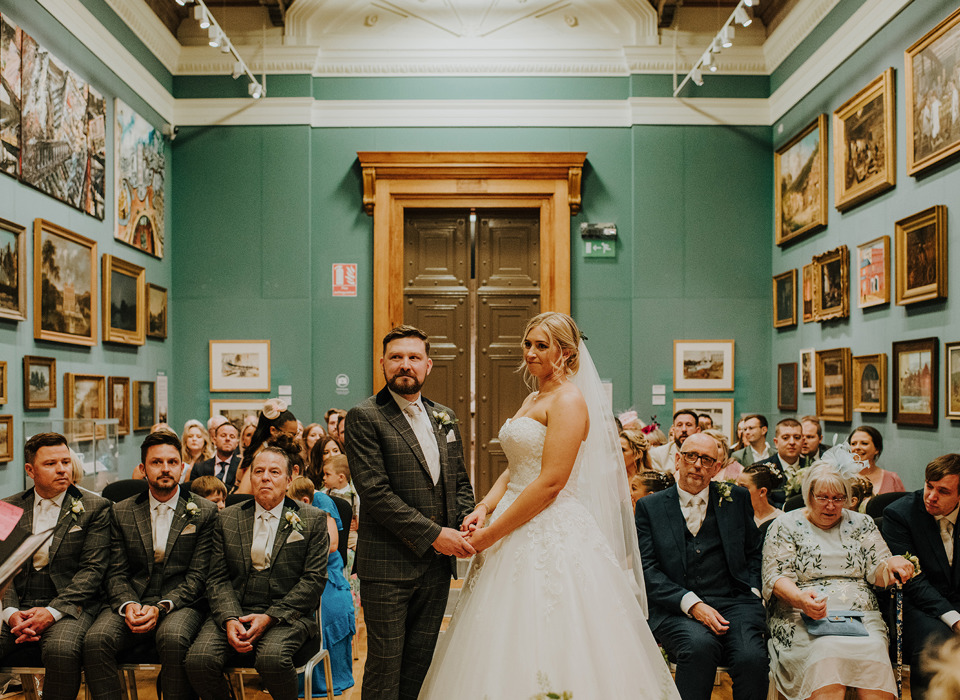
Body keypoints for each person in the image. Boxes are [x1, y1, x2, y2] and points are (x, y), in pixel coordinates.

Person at [419, 312, 680, 699]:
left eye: (542, 346)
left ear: (567, 353)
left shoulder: (569, 400)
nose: (530, 353)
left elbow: (551, 482)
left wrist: (492, 533)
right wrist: (485, 507)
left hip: (548, 523)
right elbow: (517, 468)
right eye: (528, 344)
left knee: (555, 629)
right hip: (511, 513)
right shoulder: (533, 397)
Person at [345, 324, 476, 700]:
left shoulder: (444, 417)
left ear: (428, 365)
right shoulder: (365, 416)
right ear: (383, 363)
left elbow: (458, 482)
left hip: (435, 568)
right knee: (385, 667)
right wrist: (437, 534)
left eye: (414, 358)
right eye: (397, 357)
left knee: (418, 665)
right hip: (387, 567)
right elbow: (375, 493)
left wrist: (467, 518)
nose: (405, 365)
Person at [763, 461, 915, 700]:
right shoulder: (785, 525)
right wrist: (800, 599)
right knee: (827, 650)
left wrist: (892, 565)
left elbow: (879, 569)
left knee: (873, 648)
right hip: (803, 614)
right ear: (808, 495)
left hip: (861, 618)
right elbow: (776, 577)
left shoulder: (862, 523)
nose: (831, 505)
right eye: (823, 497)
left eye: (838, 498)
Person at [83, 431, 218, 700]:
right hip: (132, 598)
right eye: (157, 462)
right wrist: (128, 605)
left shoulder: (204, 511)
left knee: (172, 638)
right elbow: (115, 572)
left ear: (183, 467)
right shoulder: (121, 511)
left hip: (181, 602)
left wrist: (161, 607)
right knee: (95, 640)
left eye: (172, 462)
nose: (165, 469)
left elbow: (199, 576)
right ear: (143, 469)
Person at [185, 447, 328, 700]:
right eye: (258, 471)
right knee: (198, 660)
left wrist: (271, 617)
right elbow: (217, 577)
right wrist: (229, 618)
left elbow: (313, 580)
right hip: (235, 609)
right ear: (249, 478)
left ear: (289, 479)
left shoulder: (313, 519)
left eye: (274, 472)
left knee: (272, 659)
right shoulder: (227, 518)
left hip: (287, 615)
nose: (265, 478)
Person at [636, 431, 768, 700]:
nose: (697, 464)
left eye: (707, 460)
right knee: (698, 648)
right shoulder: (650, 506)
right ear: (677, 460)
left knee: (751, 658)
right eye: (691, 456)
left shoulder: (737, 497)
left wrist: (753, 590)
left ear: (717, 468)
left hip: (734, 601)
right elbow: (647, 569)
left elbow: (754, 550)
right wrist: (691, 603)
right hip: (675, 607)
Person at [0, 433, 112, 700]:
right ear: (30, 470)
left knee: (61, 649)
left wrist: (52, 612)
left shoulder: (95, 507)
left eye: (66, 461)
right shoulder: (9, 507)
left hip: (72, 604)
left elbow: (93, 570)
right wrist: (12, 612)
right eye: (51, 464)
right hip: (19, 603)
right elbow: (3, 569)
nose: (63, 469)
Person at [882, 453, 960, 699]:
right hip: (917, 604)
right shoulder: (900, 514)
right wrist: (955, 619)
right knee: (940, 646)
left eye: (943, 491)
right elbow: (913, 580)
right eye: (929, 486)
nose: (931, 496)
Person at [288, 476, 356, 697]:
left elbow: (333, 544)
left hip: (326, 570)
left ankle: (325, 679)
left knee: (323, 608)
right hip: (295, 569)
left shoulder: (320, 500)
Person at [232, 398, 299, 494]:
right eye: (291, 434)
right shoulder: (260, 455)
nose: (294, 439)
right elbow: (243, 492)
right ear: (273, 430)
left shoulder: (257, 450)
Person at [850, 426, 904, 494]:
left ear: (877, 449)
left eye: (864, 443)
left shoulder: (892, 479)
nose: (857, 447)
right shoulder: (842, 478)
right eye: (853, 444)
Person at [192, 421, 241, 489]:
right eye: (223, 435)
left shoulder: (242, 467)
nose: (227, 439)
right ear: (214, 440)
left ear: (237, 443)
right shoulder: (199, 468)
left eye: (232, 437)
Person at [649, 409, 700, 474]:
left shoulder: (707, 452)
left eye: (689, 425)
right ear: (673, 429)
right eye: (679, 425)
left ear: (697, 430)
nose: (684, 429)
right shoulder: (658, 455)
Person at [736, 463, 784, 527]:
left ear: (762, 492)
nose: (737, 491)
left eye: (743, 487)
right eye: (737, 486)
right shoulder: (736, 515)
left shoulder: (781, 520)